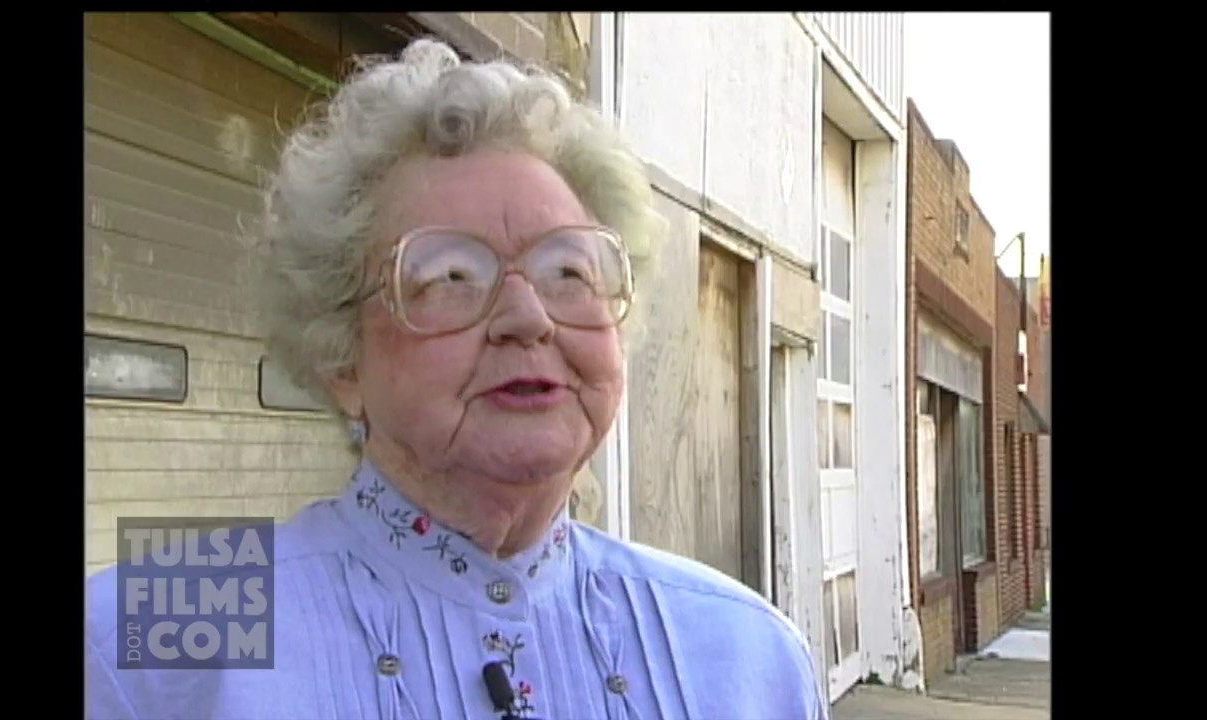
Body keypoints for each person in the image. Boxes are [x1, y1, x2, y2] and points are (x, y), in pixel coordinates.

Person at [85, 37, 828, 720]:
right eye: (450, 275)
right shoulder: (142, 633)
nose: (527, 316)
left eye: (569, 269)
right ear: (343, 358)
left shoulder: (746, 652)